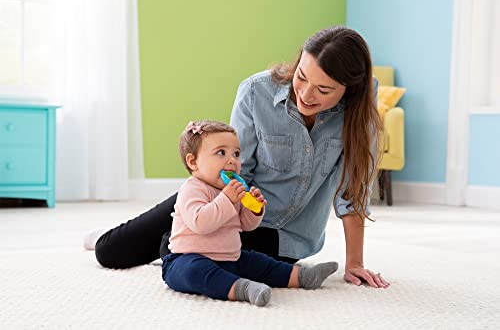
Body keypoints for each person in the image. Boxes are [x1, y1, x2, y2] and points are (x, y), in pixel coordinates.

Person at [88, 25, 389, 289]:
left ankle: (172, 245)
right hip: (221, 197)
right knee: (110, 252)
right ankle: (120, 236)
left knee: (173, 245)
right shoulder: (256, 92)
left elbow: (352, 194)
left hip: (282, 234)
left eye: (323, 89)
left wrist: (354, 263)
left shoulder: (360, 116)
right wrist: (208, 214)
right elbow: (231, 171)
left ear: (349, 90)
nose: (306, 95)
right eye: (301, 77)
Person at [161, 120, 338, 307]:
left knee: (258, 261)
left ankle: (302, 276)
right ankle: (243, 289)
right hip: (187, 259)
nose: (232, 160)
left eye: (236, 154)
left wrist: (254, 208)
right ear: (193, 161)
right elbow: (201, 222)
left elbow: (246, 226)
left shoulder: (232, 190)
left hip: (230, 258)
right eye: (221, 152)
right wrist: (227, 200)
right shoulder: (193, 189)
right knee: (195, 272)